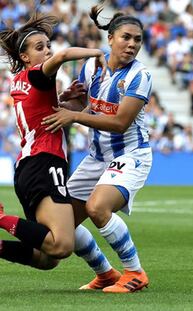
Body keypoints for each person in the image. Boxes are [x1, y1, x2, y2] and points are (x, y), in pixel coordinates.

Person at [42, 4, 153, 293]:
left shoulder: (140, 76)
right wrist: (70, 102)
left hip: (130, 155)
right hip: (97, 157)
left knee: (97, 207)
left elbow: (119, 123)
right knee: (63, 223)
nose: (131, 45)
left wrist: (75, 115)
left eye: (137, 40)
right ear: (110, 39)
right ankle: (105, 274)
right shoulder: (92, 65)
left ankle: (136, 272)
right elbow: (87, 107)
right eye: (126, 37)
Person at [0, 13, 107, 270]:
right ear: (25, 57)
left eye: (48, 45)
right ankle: (1, 218)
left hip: (29, 168)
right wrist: (98, 52)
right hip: (45, 163)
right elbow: (62, 56)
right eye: (40, 48)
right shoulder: (38, 75)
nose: (48, 51)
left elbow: (49, 118)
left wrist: (67, 102)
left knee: (49, 258)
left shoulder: (20, 82)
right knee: (61, 245)